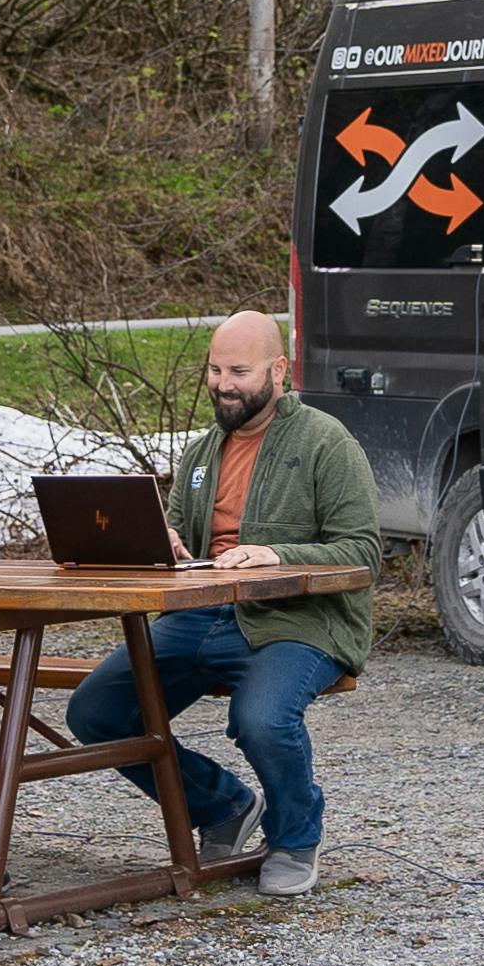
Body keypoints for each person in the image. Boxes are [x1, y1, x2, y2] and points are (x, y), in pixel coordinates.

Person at [64, 309, 379, 896]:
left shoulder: (325, 442)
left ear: (278, 370)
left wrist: (276, 555)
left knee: (260, 719)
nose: (223, 383)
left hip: (296, 620)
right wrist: (171, 546)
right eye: (214, 369)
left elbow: (363, 550)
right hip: (200, 613)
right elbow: (185, 541)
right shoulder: (203, 451)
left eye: (238, 370)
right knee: (95, 715)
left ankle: (294, 838)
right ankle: (224, 806)